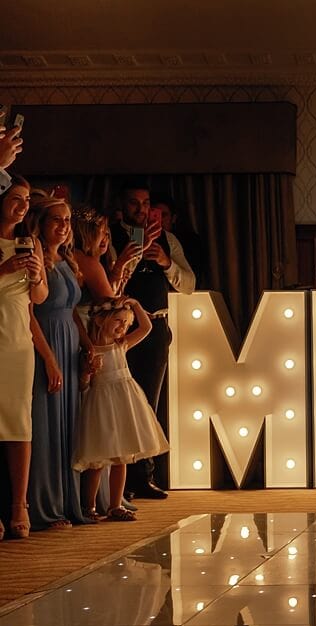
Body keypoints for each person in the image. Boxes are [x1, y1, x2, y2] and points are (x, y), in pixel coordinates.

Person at [110, 182, 195, 500]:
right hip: (119, 331)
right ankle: (121, 481)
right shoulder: (111, 236)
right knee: (119, 404)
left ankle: (144, 476)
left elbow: (188, 284)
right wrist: (131, 256)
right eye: (134, 203)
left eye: (145, 203)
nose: (141, 209)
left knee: (149, 405)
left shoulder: (167, 240)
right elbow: (107, 283)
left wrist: (166, 263)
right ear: (122, 205)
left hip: (156, 328)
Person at [25, 195, 98, 530]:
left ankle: (68, 502)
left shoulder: (67, 260)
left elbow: (71, 310)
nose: (64, 226)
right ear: (40, 223)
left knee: (68, 426)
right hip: (44, 345)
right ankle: (44, 506)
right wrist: (50, 359)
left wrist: (87, 345)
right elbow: (29, 314)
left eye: (67, 220)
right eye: (57, 219)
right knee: (45, 425)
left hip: (69, 343)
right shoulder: (36, 257)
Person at [73, 297, 169, 521]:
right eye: (118, 321)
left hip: (125, 403)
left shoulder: (121, 345)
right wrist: (87, 371)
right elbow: (83, 385)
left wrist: (135, 304)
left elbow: (147, 327)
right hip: (102, 406)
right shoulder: (90, 350)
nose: (123, 327)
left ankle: (115, 505)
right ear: (99, 320)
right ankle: (89, 507)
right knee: (98, 460)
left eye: (126, 323)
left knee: (122, 458)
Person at [0, 176, 47, 539]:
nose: (23, 205)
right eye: (16, 197)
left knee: (20, 423)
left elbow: (41, 298)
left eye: (27, 200)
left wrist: (36, 275)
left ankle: (19, 504)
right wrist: (4, 270)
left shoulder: (31, 244)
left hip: (18, 340)